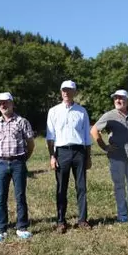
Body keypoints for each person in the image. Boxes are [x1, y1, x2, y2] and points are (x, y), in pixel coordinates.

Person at [91, 89, 128, 224]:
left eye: (121, 98)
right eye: (116, 98)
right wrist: (104, 147)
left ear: (127, 100)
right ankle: (122, 216)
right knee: (119, 187)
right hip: (116, 157)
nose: (118, 100)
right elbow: (94, 130)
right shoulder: (109, 115)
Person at [46, 80, 93, 233]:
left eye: (69, 90)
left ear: (74, 92)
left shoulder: (82, 111)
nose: (66, 93)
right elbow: (50, 137)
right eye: (63, 90)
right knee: (61, 187)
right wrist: (52, 156)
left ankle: (82, 219)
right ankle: (61, 221)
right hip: (62, 152)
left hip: (79, 151)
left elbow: (87, 136)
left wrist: (88, 156)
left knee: (81, 187)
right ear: (61, 92)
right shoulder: (53, 111)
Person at [0, 92, 35, 241]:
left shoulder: (22, 122)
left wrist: (23, 158)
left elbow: (31, 143)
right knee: (1, 197)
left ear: (12, 103)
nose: (2, 105)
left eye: (5, 102)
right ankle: (2, 229)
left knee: (20, 196)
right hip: (1, 163)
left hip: (18, 162)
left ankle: (21, 227)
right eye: (0, 103)